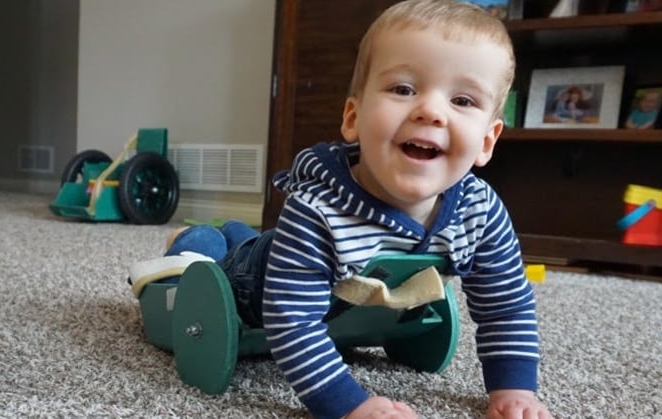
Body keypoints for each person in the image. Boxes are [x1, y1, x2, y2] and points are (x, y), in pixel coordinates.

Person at [157, 1, 553, 418]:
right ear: (353, 117)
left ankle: (238, 233)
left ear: (487, 142)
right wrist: (348, 406)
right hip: (254, 285)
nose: (431, 111)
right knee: (210, 251)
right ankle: (190, 240)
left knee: (251, 239)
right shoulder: (317, 209)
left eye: (463, 100)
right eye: (403, 89)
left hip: (325, 281)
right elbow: (292, 321)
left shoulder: (481, 211)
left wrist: (514, 389)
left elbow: (506, 304)